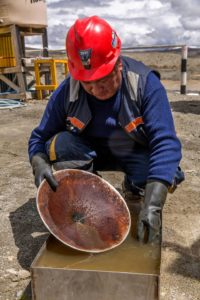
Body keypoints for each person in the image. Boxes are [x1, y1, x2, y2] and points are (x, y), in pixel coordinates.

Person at [28, 15, 184, 244]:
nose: (95, 88)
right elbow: (39, 137)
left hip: (131, 151)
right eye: (86, 81)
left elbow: (166, 143)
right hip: (88, 153)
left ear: (118, 64)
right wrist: (38, 160)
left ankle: (134, 188)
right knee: (60, 144)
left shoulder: (145, 85)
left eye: (102, 79)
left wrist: (153, 206)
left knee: (161, 169)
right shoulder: (67, 91)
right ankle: (89, 193)